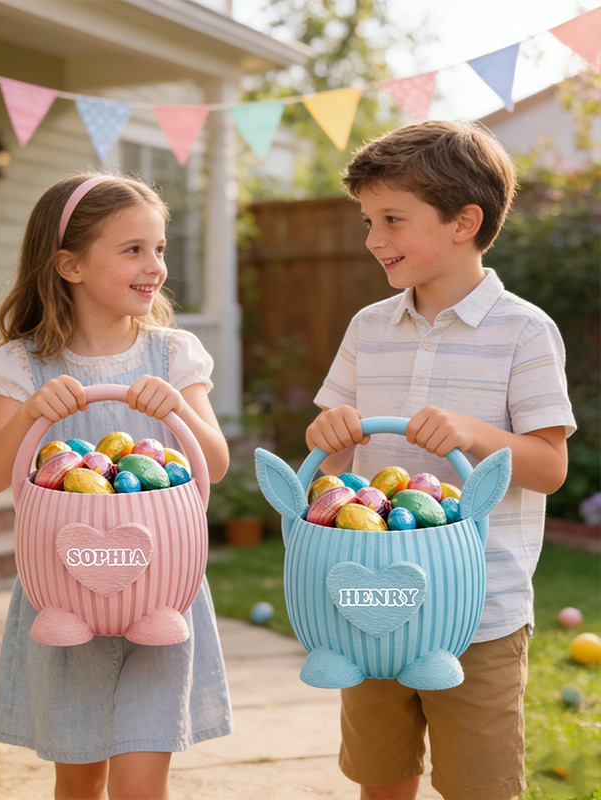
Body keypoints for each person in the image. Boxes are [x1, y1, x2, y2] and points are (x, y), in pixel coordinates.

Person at [305, 120, 575, 800]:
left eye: (392, 219)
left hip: (478, 612)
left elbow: (548, 467)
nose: (374, 239)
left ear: (464, 222)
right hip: (370, 598)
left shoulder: (524, 331)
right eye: (369, 221)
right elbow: (335, 465)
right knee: (381, 774)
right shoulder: (368, 328)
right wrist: (330, 434)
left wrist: (473, 432)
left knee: (479, 785)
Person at [0, 173, 232, 800]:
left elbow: (217, 464)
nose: (156, 266)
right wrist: (32, 414)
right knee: (79, 777)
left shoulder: (173, 355)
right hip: (66, 596)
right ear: (70, 265)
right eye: (133, 250)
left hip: (159, 599)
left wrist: (178, 408)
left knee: (141, 783)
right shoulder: (24, 364)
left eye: (159, 248)